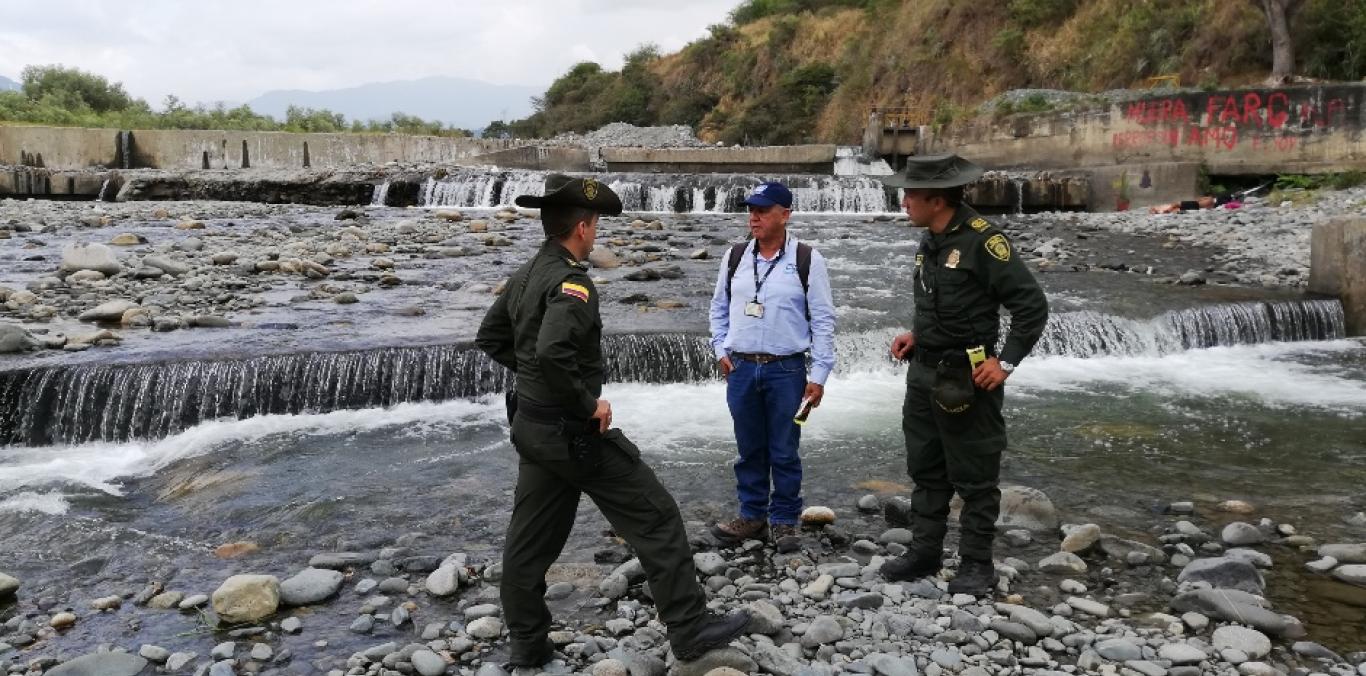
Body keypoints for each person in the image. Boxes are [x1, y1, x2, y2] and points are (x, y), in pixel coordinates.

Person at [475, 174, 750, 667]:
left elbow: (493, 338)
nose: (596, 231)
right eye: (595, 223)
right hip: (571, 433)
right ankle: (689, 630)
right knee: (657, 515)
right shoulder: (572, 281)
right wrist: (586, 404)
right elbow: (553, 352)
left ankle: (528, 644)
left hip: (533, 429)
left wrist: (537, 381)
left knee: (529, 543)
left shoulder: (528, 272)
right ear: (582, 227)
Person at [874, 155, 1049, 595]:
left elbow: (1031, 307)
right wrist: (916, 335)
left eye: (911, 194)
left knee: (975, 475)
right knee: (927, 468)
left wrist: (1005, 361)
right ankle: (925, 552)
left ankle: (976, 564)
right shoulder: (931, 240)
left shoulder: (984, 242)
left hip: (968, 378)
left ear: (937, 199)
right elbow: (943, 304)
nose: (904, 201)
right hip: (924, 373)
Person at [707, 181, 837, 543]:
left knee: (784, 449)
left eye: (763, 211)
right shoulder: (734, 257)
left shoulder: (807, 259)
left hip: (787, 370)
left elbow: (823, 318)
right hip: (742, 368)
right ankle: (751, 516)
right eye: (751, 210)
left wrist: (821, 374)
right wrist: (720, 350)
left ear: (785, 214)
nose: (754, 217)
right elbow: (718, 308)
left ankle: (783, 519)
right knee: (749, 448)